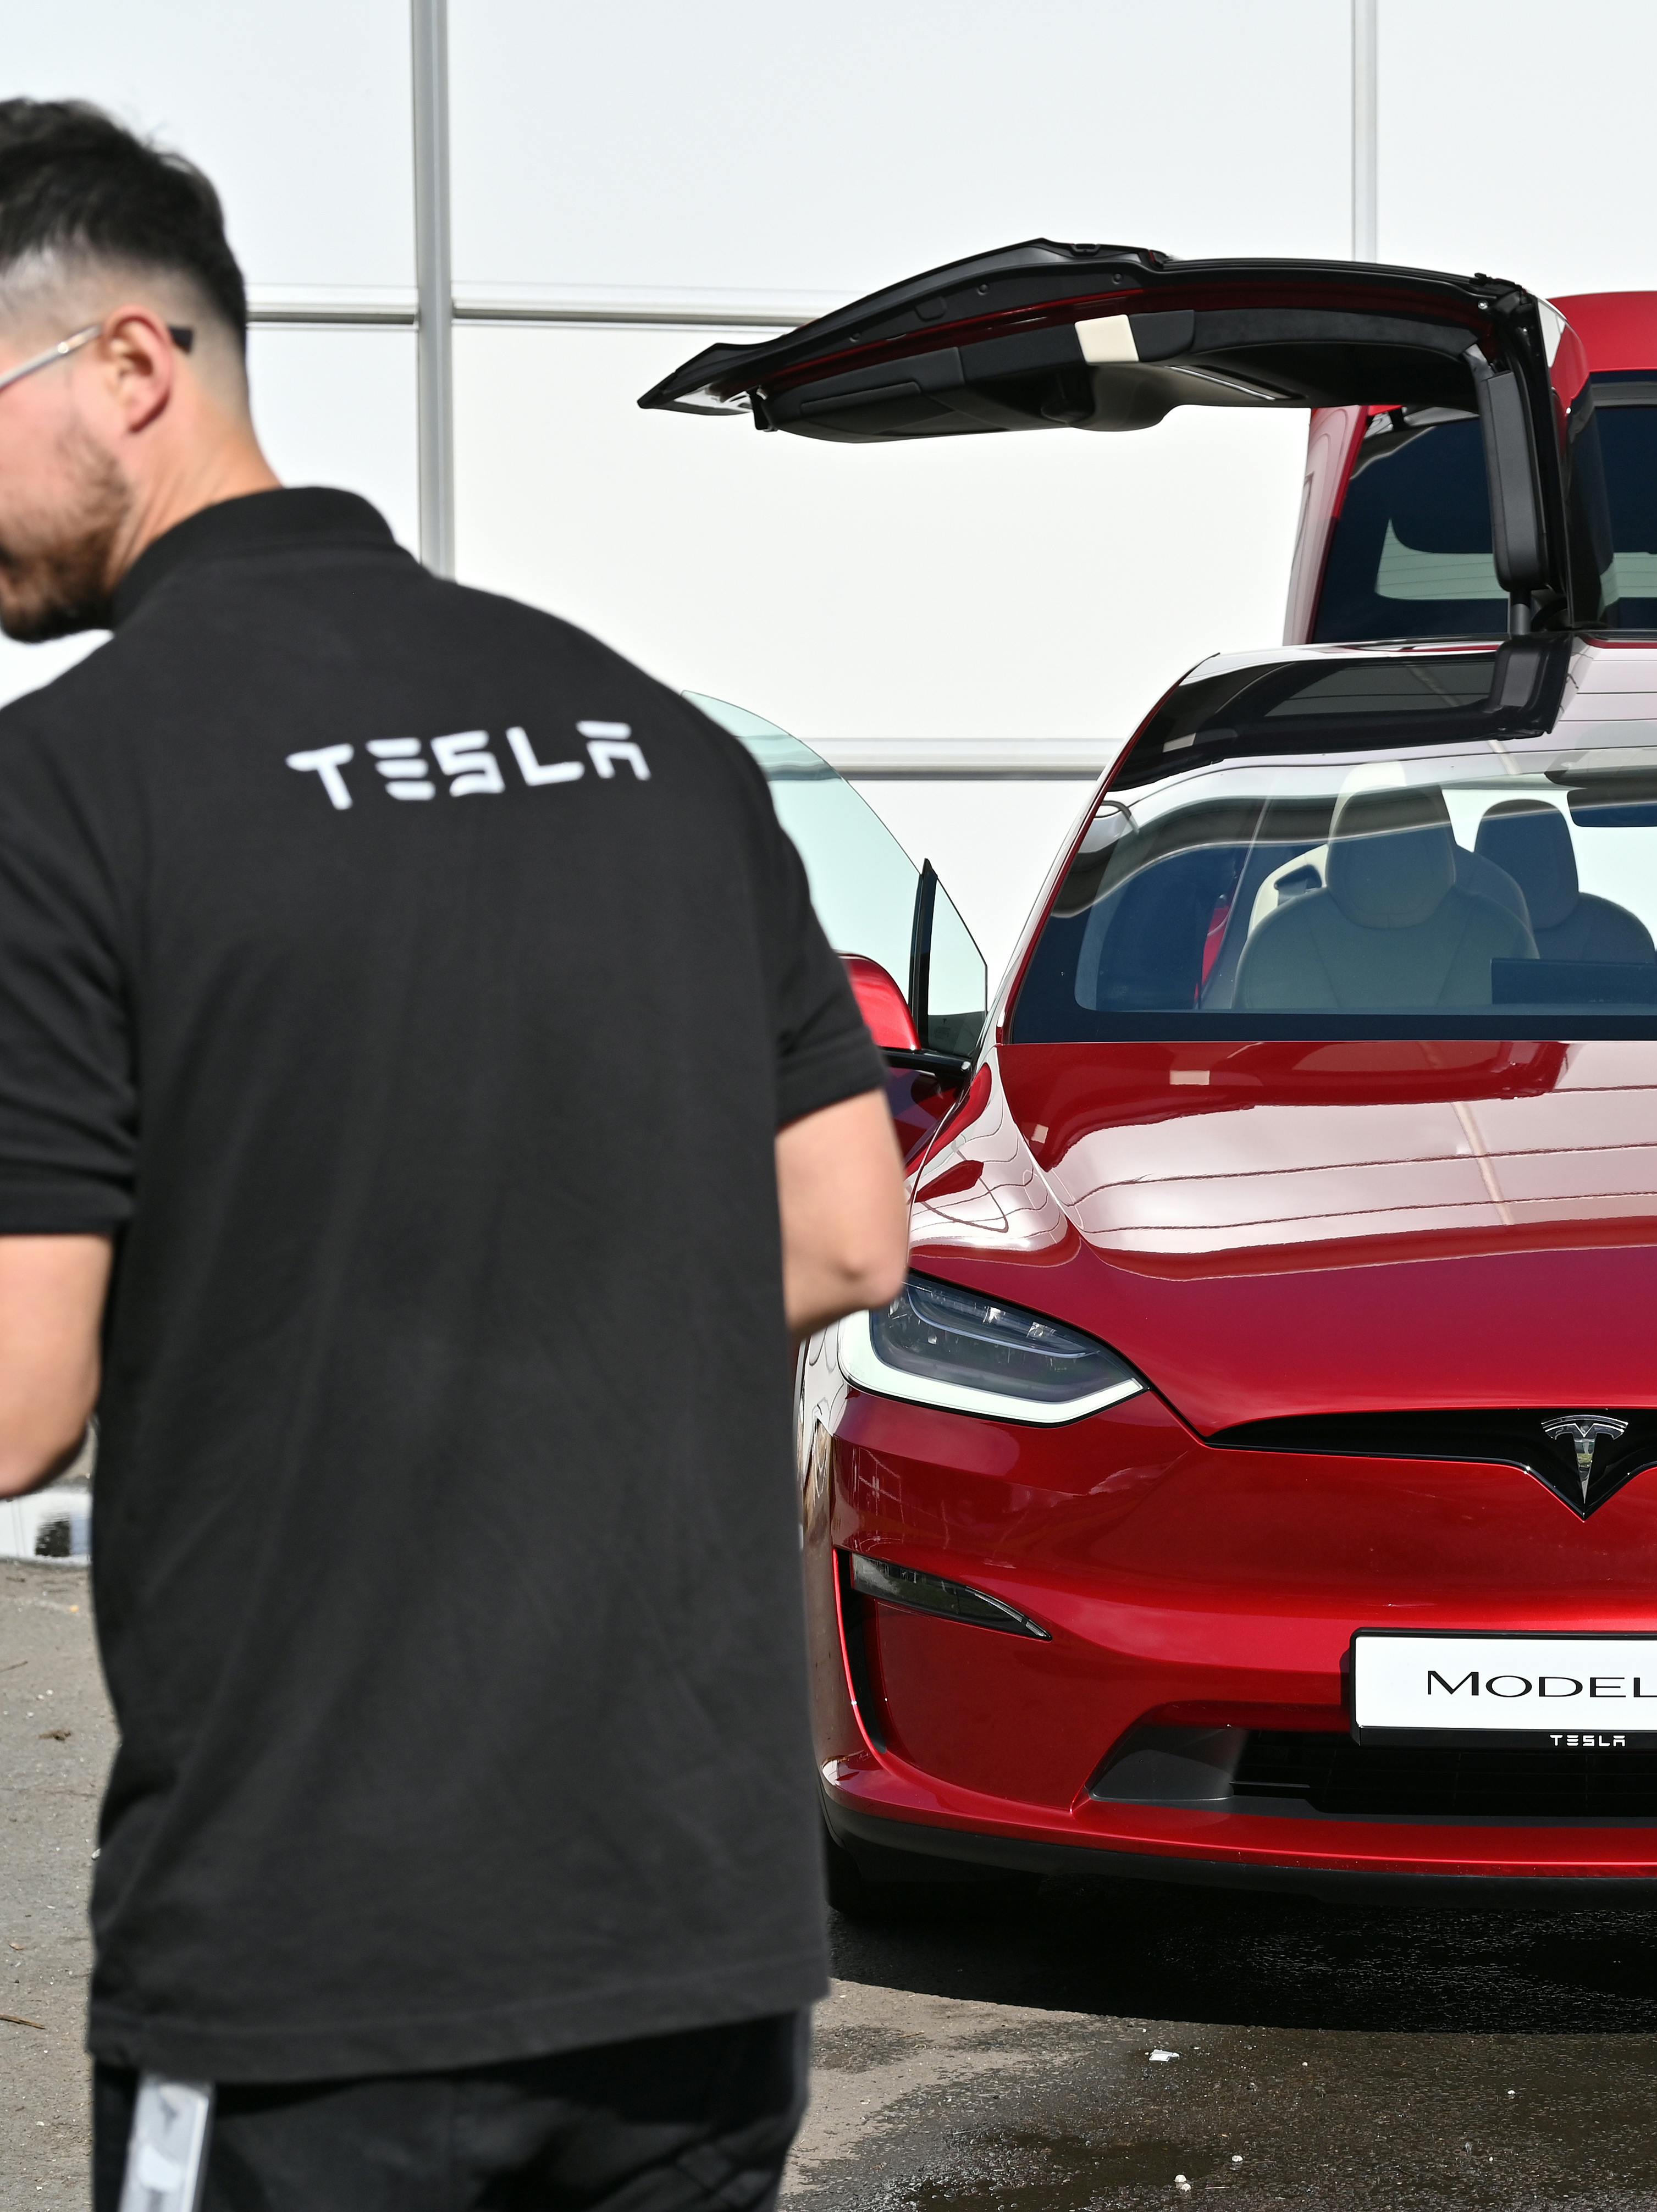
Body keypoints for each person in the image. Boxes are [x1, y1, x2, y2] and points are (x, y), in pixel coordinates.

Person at [0, 102, 911, 2202]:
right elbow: (847, 1228)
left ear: (134, 367)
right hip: (695, 1945)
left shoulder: (67, 793)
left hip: (322, 1958)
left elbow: (25, 1388)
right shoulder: (657, 740)